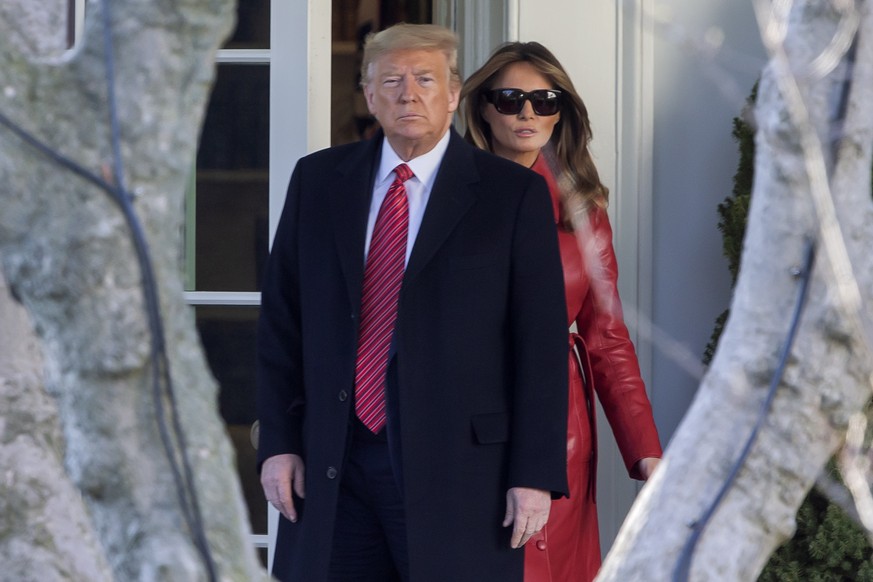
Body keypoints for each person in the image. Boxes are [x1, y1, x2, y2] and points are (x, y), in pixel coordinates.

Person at [256, 24, 570, 582]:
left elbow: (540, 345)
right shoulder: (319, 181)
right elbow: (283, 324)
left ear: (452, 95)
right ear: (369, 96)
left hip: (464, 472)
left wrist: (534, 474)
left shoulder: (510, 195)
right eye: (392, 81)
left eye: (425, 79)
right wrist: (279, 444)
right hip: (334, 461)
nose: (409, 94)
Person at [461, 42, 664, 582]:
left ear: (561, 110)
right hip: (462, 418)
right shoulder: (444, 197)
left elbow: (608, 338)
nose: (528, 113)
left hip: (558, 426)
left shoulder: (584, 210)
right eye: (510, 99)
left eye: (545, 100)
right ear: (482, 107)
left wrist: (646, 451)